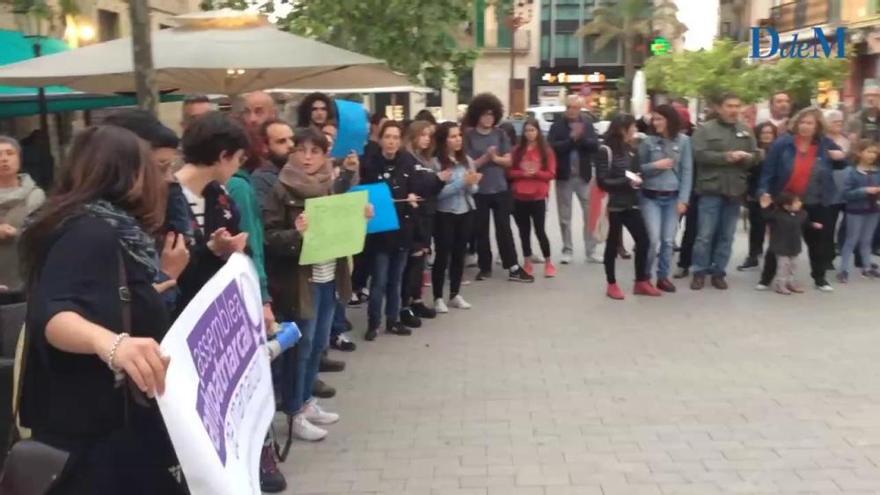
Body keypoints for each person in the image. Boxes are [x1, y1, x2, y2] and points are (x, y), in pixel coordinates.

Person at [18, 125, 186, 493]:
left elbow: (98, 298)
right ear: (127, 175)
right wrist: (114, 345)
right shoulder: (92, 231)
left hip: (100, 428)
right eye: (156, 169)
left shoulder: (90, 225)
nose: (169, 180)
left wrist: (152, 290)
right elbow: (54, 312)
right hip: (97, 440)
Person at [263, 128, 359, 442]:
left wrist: (360, 216)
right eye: (300, 150)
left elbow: (342, 227)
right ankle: (293, 412)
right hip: (299, 282)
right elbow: (269, 238)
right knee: (300, 350)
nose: (307, 157)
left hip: (329, 276)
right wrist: (296, 235)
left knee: (318, 344)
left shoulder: (331, 185)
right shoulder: (280, 189)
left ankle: (305, 401)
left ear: (324, 155)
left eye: (314, 151)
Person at [757, 107, 846, 292]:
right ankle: (766, 278)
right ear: (796, 124)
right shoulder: (783, 143)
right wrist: (763, 191)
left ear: (817, 126)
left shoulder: (824, 143)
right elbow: (768, 170)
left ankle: (820, 278)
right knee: (779, 242)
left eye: (810, 123)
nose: (805, 126)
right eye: (802, 122)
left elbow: (842, 161)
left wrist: (839, 156)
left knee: (817, 242)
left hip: (815, 200)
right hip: (787, 200)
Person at [173, 112, 249, 312]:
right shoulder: (164, 198)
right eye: (238, 159)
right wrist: (212, 249)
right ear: (224, 156)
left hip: (214, 312)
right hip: (177, 315)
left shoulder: (221, 198)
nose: (237, 167)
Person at [690, 93, 759, 290]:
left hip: (735, 190)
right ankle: (699, 271)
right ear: (719, 108)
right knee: (705, 235)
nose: (733, 110)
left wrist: (746, 158)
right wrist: (725, 157)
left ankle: (719, 272)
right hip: (711, 189)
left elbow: (755, 156)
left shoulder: (746, 131)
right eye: (729, 106)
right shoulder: (705, 130)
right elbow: (698, 154)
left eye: (737, 106)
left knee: (727, 236)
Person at [463, 93, 533, 282]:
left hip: (501, 189)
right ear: (477, 114)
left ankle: (512, 266)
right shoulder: (469, 136)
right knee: (481, 230)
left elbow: (510, 160)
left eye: (492, 114)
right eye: (485, 114)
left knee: (504, 228)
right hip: (479, 191)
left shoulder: (500, 134)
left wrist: (495, 159)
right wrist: (486, 158)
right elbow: (468, 165)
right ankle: (484, 267)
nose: (488, 118)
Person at [361, 121, 420, 340]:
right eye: (388, 137)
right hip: (380, 233)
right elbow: (363, 194)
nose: (392, 141)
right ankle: (373, 323)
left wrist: (413, 197)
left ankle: (392, 320)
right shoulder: (370, 163)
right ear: (381, 139)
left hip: (402, 231)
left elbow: (414, 187)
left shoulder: (407, 162)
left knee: (396, 280)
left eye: (396, 137)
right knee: (379, 280)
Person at [595, 114, 661, 300]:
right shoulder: (605, 150)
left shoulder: (631, 149)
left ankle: (641, 281)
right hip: (613, 205)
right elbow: (603, 181)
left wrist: (639, 178)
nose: (635, 130)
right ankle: (612, 283)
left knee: (644, 241)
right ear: (623, 129)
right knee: (612, 245)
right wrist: (627, 182)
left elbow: (636, 172)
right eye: (632, 127)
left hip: (631, 203)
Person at [638, 104, 693, 293]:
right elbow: (639, 170)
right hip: (650, 196)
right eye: (654, 119)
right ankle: (644, 277)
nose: (656, 122)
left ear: (670, 120)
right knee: (652, 239)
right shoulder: (648, 141)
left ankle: (663, 276)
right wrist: (656, 165)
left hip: (672, 197)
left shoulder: (684, 141)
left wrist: (683, 199)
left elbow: (687, 171)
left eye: (660, 118)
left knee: (668, 240)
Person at [399, 120, 445, 328]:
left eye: (429, 135)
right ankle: (404, 304)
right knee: (412, 260)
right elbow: (418, 185)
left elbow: (431, 188)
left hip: (427, 214)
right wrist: (438, 179)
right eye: (423, 134)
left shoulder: (427, 159)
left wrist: (437, 181)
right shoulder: (407, 158)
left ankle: (416, 299)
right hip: (413, 216)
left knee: (421, 259)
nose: (427, 138)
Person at [432, 122, 481, 312]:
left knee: (459, 254)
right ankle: (438, 297)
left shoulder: (466, 160)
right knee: (443, 255)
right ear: (444, 140)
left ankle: (455, 293)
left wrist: (472, 182)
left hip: (465, 210)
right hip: (445, 213)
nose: (458, 139)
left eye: (459, 135)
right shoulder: (437, 162)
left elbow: (474, 189)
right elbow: (438, 193)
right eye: (453, 136)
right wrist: (462, 182)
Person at [548, 95, 601, 264]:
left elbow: (595, 146)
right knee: (565, 216)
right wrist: (571, 139)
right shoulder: (557, 126)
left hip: (583, 176)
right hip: (564, 176)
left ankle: (591, 251)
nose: (572, 110)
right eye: (569, 107)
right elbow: (552, 147)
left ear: (580, 109)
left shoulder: (587, 124)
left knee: (589, 213)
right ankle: (567, 249)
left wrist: (581, 138)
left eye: (576, 107)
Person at [509, 118, 558, 278]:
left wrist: (536, 172)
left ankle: (548, 261)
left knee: (540, 230)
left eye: (533, 130)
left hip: (538, 196)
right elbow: (510, 172)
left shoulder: (546, 151)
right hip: (520, 196)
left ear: (538, 132)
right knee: (524, 231)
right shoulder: (517, 150)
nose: (530, 133)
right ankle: (527, 260)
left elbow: (551, 174)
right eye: (527, 130)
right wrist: (523, 173)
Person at [0, 136, 44, 294]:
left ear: (19, 158)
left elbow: (44, 235)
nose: (4, 159)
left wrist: (19, 233)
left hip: (26, 277)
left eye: (9, 153)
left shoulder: (35, 196)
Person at [760, 192, 822, 294]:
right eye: (796, 202)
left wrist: (813, 224)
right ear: (786, 206)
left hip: (794, 245)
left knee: (793, 266)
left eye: (799, 201)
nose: (799, 203)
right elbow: (766, 217)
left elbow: (805, 224)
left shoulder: (802, 214)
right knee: (783, 267)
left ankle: (791, 283)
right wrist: (764, 207)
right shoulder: (777, 215)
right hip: (781, 246)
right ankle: (780, 285)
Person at [737, 122, 779, 272]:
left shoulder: (779, 151)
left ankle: (775, 256)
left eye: (770, 132)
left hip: (775, 194)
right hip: (755, 193)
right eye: (763, 132)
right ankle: (753, 255)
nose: (767, 135)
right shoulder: (753, 151)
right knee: (756, 227)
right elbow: (746, 172)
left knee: (776, 227)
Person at [838, 140, 880, 282]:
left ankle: (866, 267)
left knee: (867, 240)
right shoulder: (852, 172)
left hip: (874, 209)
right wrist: (864, 191)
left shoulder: (877, 171)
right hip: (855, 210)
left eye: (874, 152)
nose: (872, 155)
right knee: (851, 240)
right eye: (869, 151)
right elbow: (846, 194)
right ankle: (843, 269)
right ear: (859, 152)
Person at [252, 119, 296, 209]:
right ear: (265, 147)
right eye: (281, 141)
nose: (291, 145)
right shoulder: (261, 179)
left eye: (292, 139)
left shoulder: (300, 171)